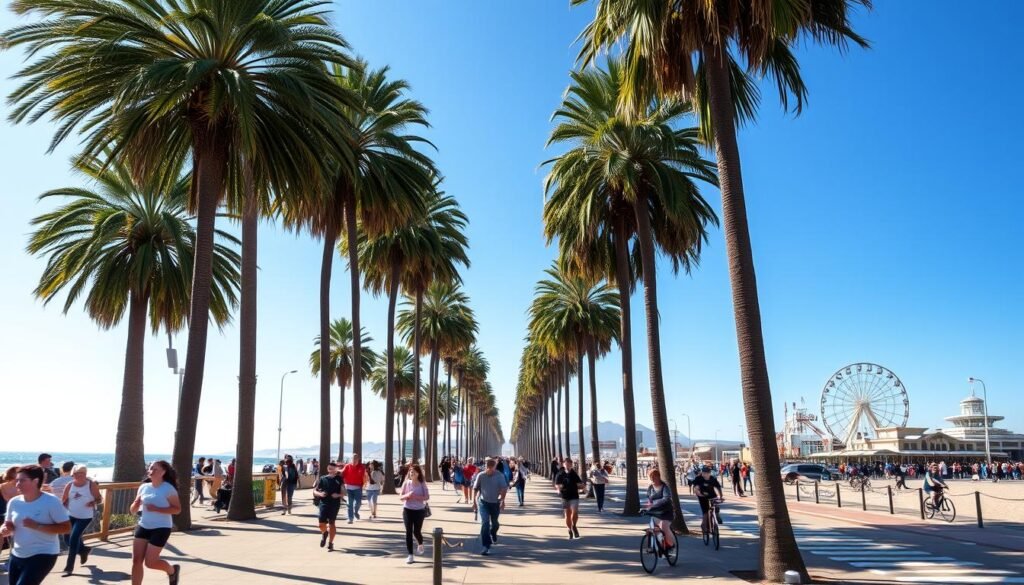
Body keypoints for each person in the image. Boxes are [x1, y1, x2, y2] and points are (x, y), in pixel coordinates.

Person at [0, 465, 71, 585]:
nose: (17, 484)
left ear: (36, 481)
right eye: (16, 480)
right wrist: (5, 529)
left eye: (22, 480)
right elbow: (8, 525)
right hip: (18, 554)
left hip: (43, 554)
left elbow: (67, 528)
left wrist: (37, 526)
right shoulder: (14, 502)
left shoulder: (51, 501)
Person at [129, 460, 181, 585]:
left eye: (154, 469)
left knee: (150, 563)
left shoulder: (168, 489)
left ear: (163, 472)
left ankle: (172, 570)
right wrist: (136, 504)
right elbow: (132, 510)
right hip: (144, 525)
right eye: (150, 468)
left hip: (161, 528)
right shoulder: (144, 487)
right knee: (136, 561)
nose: (150, 471)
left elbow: (177, 509)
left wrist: (157, 509)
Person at [60, 465, 102, 575]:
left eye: (82, 473)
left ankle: (69, 567)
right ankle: (83, 550)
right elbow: (63, 500)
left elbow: (99, 498)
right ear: (73, 475)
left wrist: (93, 502)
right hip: (71, 515)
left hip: (85, 517)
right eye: (77, 473)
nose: (80, 475)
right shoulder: (69, 485)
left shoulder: (90, 485)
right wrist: (62, 508)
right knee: (67, 540)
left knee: (74, 538)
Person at [472, 458, 508, 556]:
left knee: (495, 523)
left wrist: (502, 500)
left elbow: (504, 488)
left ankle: (493, 532)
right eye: (488, 469)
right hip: (483, 503)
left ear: (495, 467)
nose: (490, 471)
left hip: (495, 502)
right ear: (486, 467)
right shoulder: (481, 475)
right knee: (485, 523)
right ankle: (486, 546)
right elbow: (475, 489)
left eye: (492, 469)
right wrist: (474, 502)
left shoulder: (499, 476)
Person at [399, 464, 430, 564]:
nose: (412, 473)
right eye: (410, 471)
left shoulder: (422, 483)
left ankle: (420, 543)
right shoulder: (406, 483)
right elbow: (400, 497)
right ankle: (410, 555)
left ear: (418, 473)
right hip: (407, 509)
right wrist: (407, 495)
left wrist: (415, 497)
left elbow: (426, 497)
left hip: (419, 511)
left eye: (414, 471)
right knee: (408, 532)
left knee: (416, 531)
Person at [313, 462, 343, 551]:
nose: (331, 469)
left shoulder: (339, 479)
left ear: (336, 469)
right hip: (323, 503)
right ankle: (325, 533)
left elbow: (344, 492)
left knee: (332, 523)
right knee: (321, 524)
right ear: (327, 469)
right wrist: (320, 494)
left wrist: (337, 495)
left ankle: (330, 543)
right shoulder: (322, 479)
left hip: (334, 504)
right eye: (329, 468)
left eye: (333, 468)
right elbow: (315, 491)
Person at [553, 458, 585, 539]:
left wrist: (582, 486)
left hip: (574, 496)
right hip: (565, 496)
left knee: (575, 512)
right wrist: (558, 489)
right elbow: (557, 484)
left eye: (569, 464)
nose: (567, 466)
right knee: (567, 515)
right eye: (566, 464)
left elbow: (579, 483)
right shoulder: (560, 474)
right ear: (563, 464)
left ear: (571, 465)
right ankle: (569, 529)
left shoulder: (574, 473)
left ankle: (574, 525)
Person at [644, 468, 676, 550]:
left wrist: (654, 505)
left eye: (654, 477)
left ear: (659, 477)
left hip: (666, 512)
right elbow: (649, 500)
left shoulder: (665, 487)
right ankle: (657, 544)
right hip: (656, 513)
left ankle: (671, 544)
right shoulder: (650, 488)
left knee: (664, 527)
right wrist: (647, 508)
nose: (652, 479)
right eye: (651, 477)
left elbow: (666, 499)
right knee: (652, 529)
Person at [691, 465, 724, 530]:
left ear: (709, 473)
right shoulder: (698, 479)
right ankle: (703, 525)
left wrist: (721, 496)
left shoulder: (712, 479)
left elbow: (718, 487)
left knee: (716, 505)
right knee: (706, 512)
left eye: (707, 473)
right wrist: (699, 493)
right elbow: (696, 488)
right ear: (702, 473)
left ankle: (717, 515)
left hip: (712, 495)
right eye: (704, 473)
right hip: (702, 496)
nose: (705, 474)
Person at [341, 453, 367, 524]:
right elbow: (342, 474)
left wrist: (364, 484)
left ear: (358, 459)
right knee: (349, 504)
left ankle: (356, 511)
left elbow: (363, 475)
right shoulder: (347, 466)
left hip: (358, 488)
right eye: (353, 459)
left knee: (358, 503)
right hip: (349, 487)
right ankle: (350, 518)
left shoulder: (361, 467)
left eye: (356, 459)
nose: (354, 460)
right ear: (351, 459)